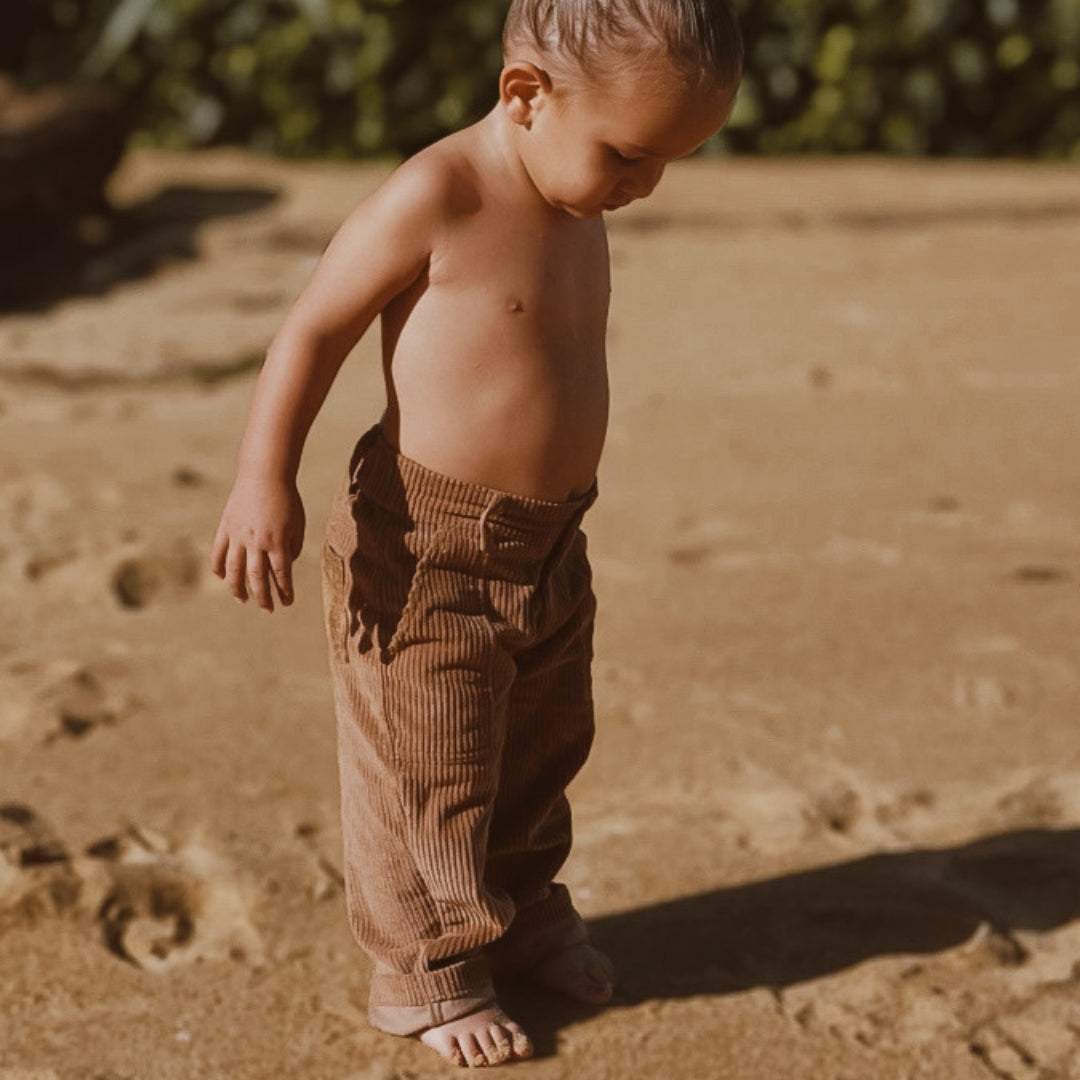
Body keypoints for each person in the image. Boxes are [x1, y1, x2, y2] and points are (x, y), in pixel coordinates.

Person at [211, 0, 742, 1067]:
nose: (644, 186)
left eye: (669, 162)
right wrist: (263, 476)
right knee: (432, 765)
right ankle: (427, 970)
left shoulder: (575, 189)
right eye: (630, 155)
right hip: (427, 550)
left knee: (543, 743)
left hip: (551, 541)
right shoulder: (438, 193)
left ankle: (523, 903)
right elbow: (314, 326)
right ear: (524, 96)